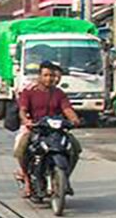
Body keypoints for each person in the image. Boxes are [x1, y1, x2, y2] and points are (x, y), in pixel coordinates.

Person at [13, 61, 80, 195]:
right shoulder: (29, 92)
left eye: (51, 75)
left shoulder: (59, 93)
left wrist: (74, 119)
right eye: (46, 75)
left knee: (74, 148)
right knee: (21, 148)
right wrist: (27, 121)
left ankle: (64, 178)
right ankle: (27, 180)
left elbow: (67, 109)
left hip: (56, 130)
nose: (49, 78)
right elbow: (22, 110)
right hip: (35, 128)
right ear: (39, 76)